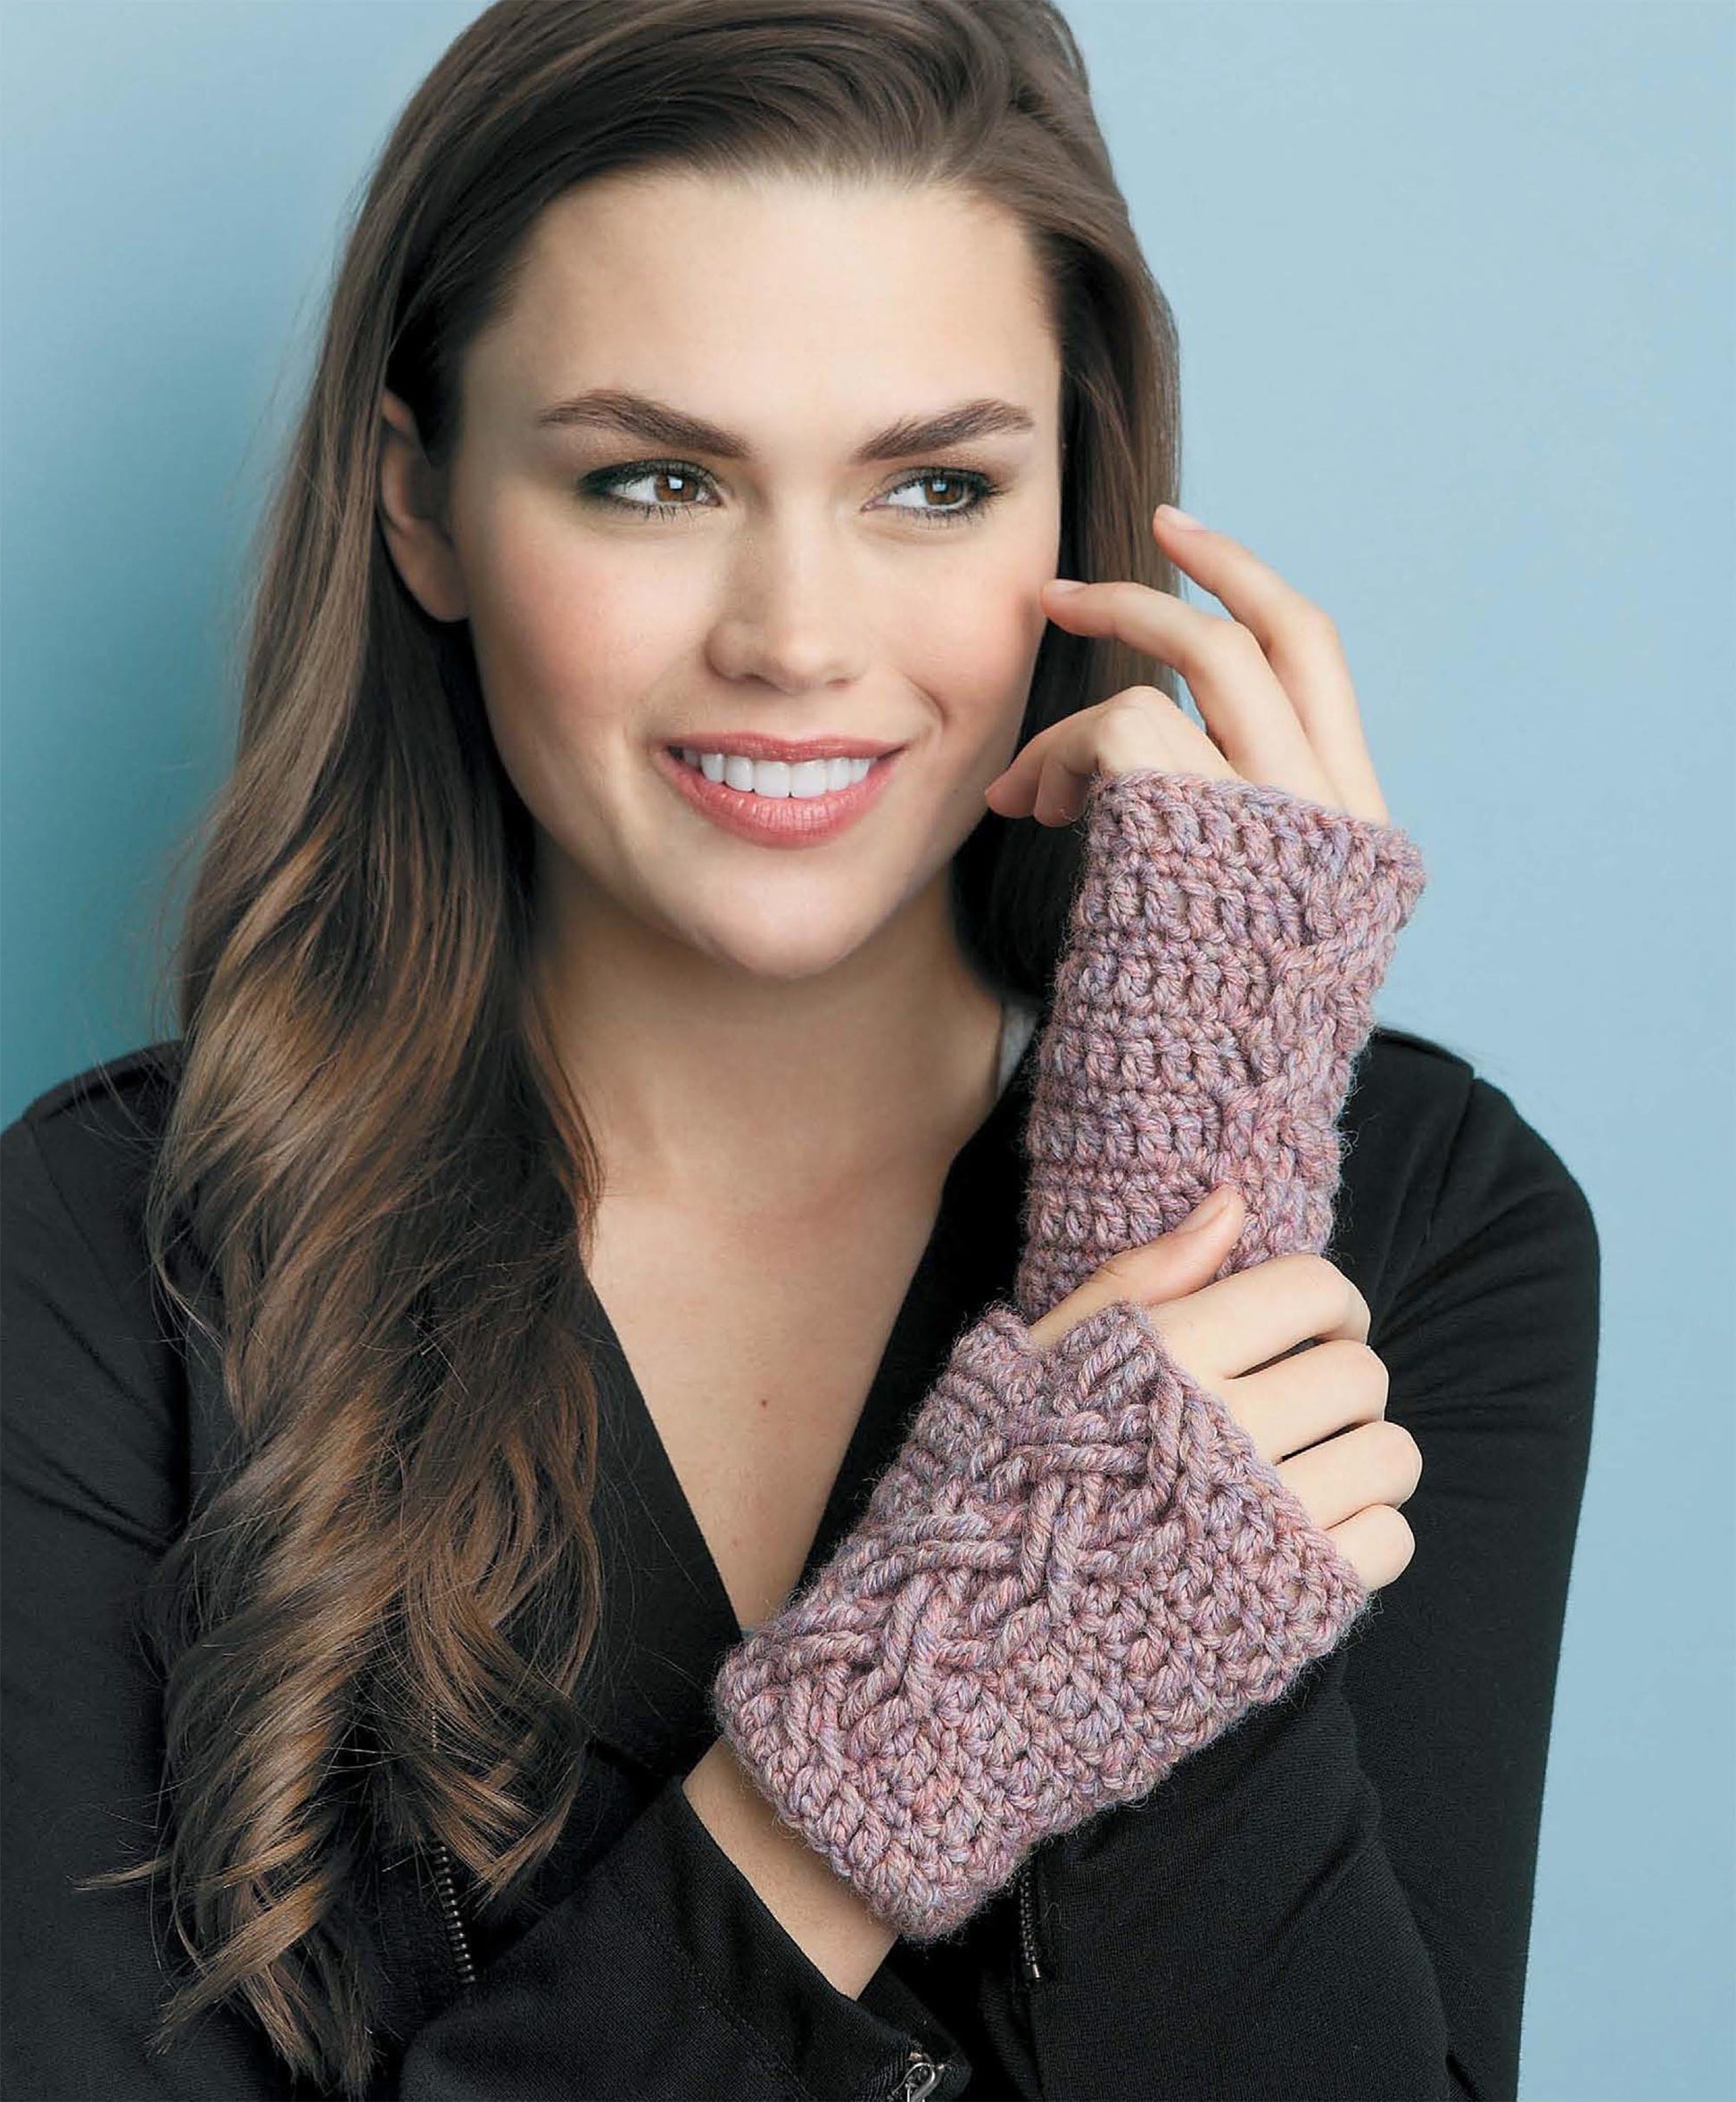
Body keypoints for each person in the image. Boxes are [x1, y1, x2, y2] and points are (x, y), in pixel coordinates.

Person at [0, 3, 1600, 2098]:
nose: (796, 637)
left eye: (934, 485)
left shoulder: (1429, 1217)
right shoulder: (109, 1258)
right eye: (654, 479)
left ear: (1072, 520)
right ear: (422, 509)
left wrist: (1173, 1220)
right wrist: (879, 1754)